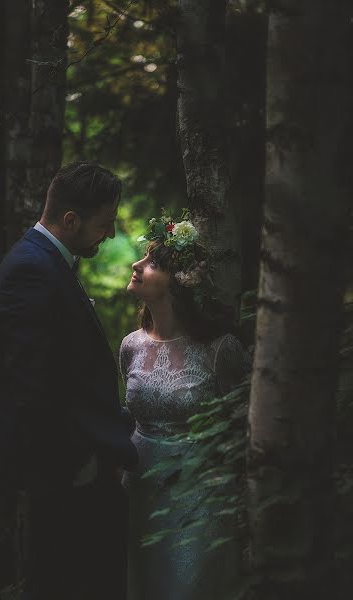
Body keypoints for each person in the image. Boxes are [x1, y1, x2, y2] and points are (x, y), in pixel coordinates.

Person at [0, 161, 138, 600]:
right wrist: (79, 463)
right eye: (105, 225)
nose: (109, 235)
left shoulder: (44, 262)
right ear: (70, 220)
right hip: (64, 479)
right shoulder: (31, 270)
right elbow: (30, 385)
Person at [120, 210, 250, 600]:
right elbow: (126, 418)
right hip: (139, 490)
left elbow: (240, 429)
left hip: (198, 499)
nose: (136, 265)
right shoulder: (130, 345)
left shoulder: (220, 349)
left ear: (180, 282)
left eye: (152, 263)